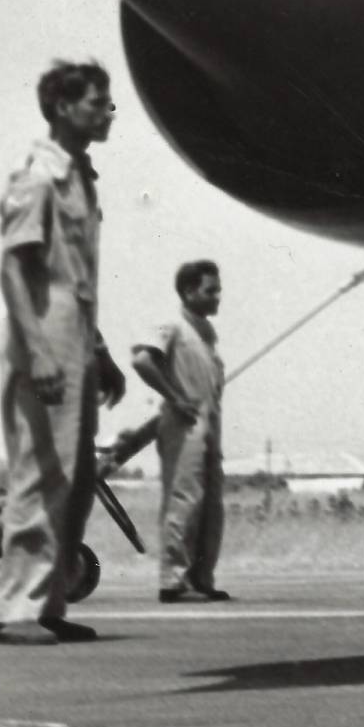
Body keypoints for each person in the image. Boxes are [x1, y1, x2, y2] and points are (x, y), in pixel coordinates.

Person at [0, 59, 126, 646]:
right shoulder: (39, 175)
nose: (107, 112)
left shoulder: (80, 178)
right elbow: (16, 270)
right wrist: (41, 352)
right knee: (41, 472)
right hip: (42, 336)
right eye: (97, 102)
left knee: (76, 476)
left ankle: (48, 605)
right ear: (64, 108)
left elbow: (76, 278)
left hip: (76, 336)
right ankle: (16, 611)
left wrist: (99, 352)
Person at [132, 259, 231, 604]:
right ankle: (172, 579)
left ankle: (201, 578)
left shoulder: (206, 333)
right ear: (189, 291)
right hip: (183, 423)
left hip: (209, 423)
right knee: (184, 499)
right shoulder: (171, 325)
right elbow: (143, 360)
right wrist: (175, 398)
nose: (218, 296)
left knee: (211, 505)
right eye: (210, 290)